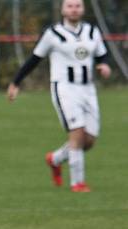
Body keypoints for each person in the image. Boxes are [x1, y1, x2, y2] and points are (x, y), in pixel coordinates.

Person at [7, 0, 110, 193]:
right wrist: (16, 83)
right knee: (77, 133)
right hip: (65, 89)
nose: (74, 9)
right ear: (63, 9)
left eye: (77, 6)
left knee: (89, 141)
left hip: (88, 90)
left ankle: (55, 159)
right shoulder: (52, 34)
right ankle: (77, 183)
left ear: (83, 9)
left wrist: (104, 65)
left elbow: (102, 55)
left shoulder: (92, 31)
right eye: (70, 6)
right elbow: (34, 60)